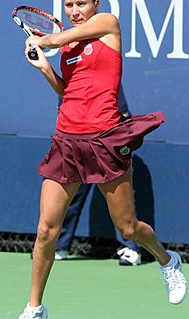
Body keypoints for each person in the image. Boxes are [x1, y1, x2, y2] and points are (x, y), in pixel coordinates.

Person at [18, 0, 187, 319]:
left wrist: (48, 40)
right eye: (69, 5)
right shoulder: (66, 48)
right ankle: (34, 308)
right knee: (45, 230)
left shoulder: (108, 24)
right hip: (67, 139)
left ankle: (168, 261)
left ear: (96, 4)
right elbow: (69, 93)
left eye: (81, 4)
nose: (75, 11)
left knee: (128, 228)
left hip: (104, 140)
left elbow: (59, 37)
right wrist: (45, 68)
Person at [55, 84, 141, 266]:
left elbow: (123, 114)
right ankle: (60, 245)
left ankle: (131, 248)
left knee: (120, 199)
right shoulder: (70, 73)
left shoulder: (107, 70)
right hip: (76, 140)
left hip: (106, 142)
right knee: (70, 193)